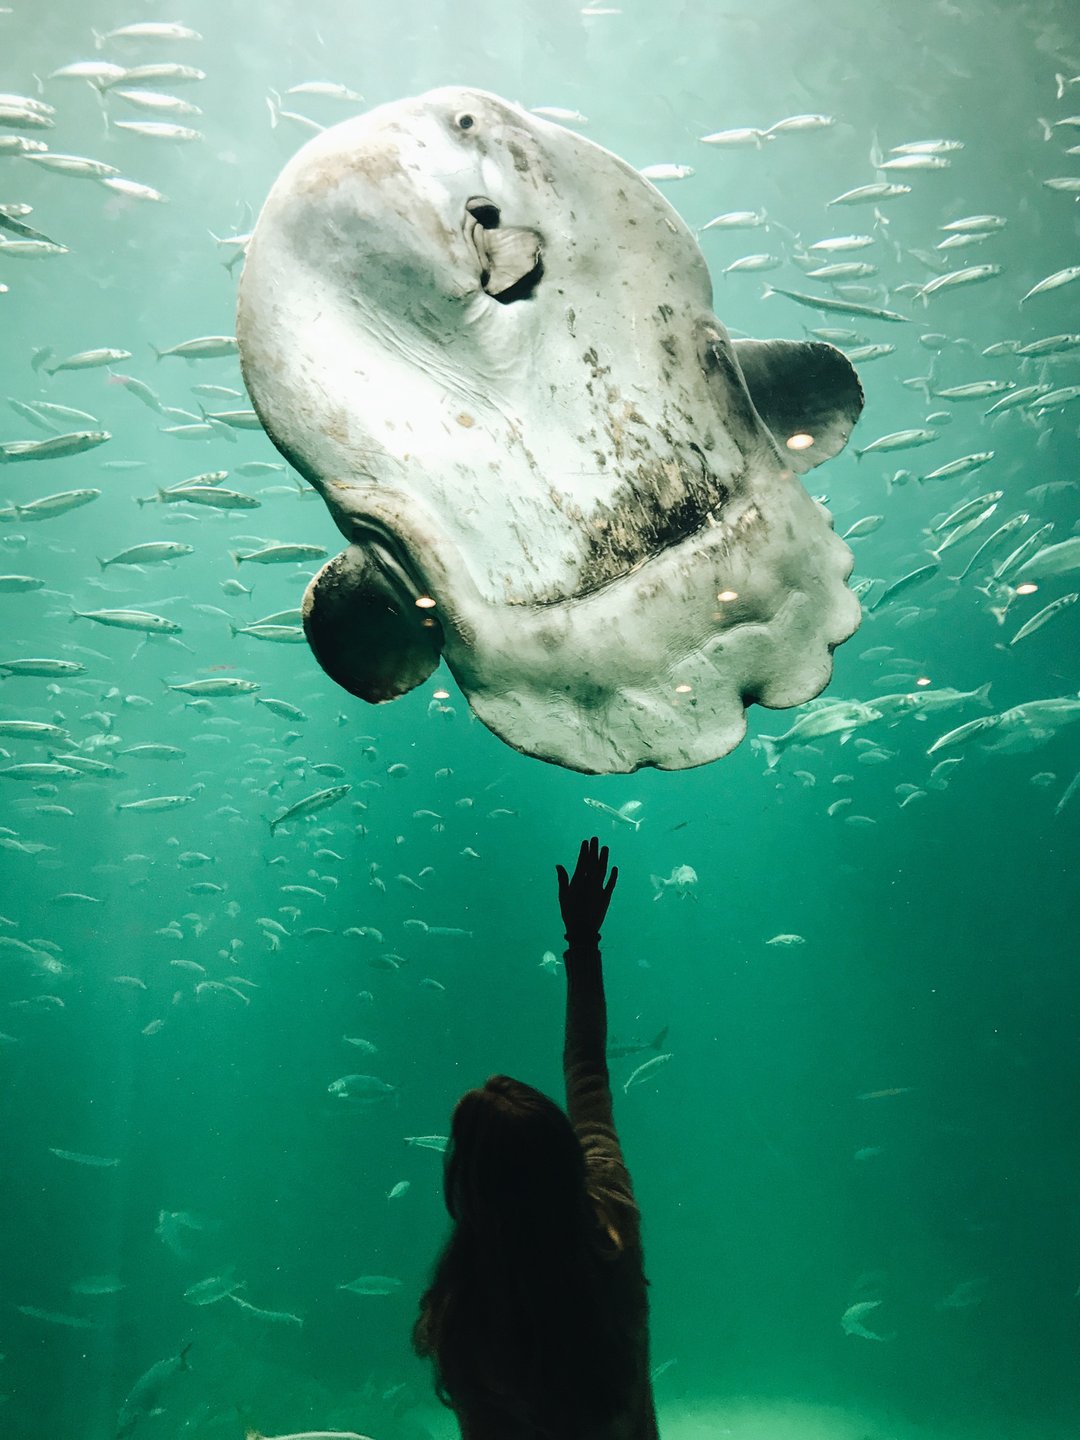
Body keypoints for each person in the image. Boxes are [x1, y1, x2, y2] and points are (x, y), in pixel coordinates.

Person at [413, 837, 659, 1440]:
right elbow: (587, 1067)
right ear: (563, 1159)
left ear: (467, 1187)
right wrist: (582, 942)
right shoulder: (612, 1225)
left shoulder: (466, 1318)